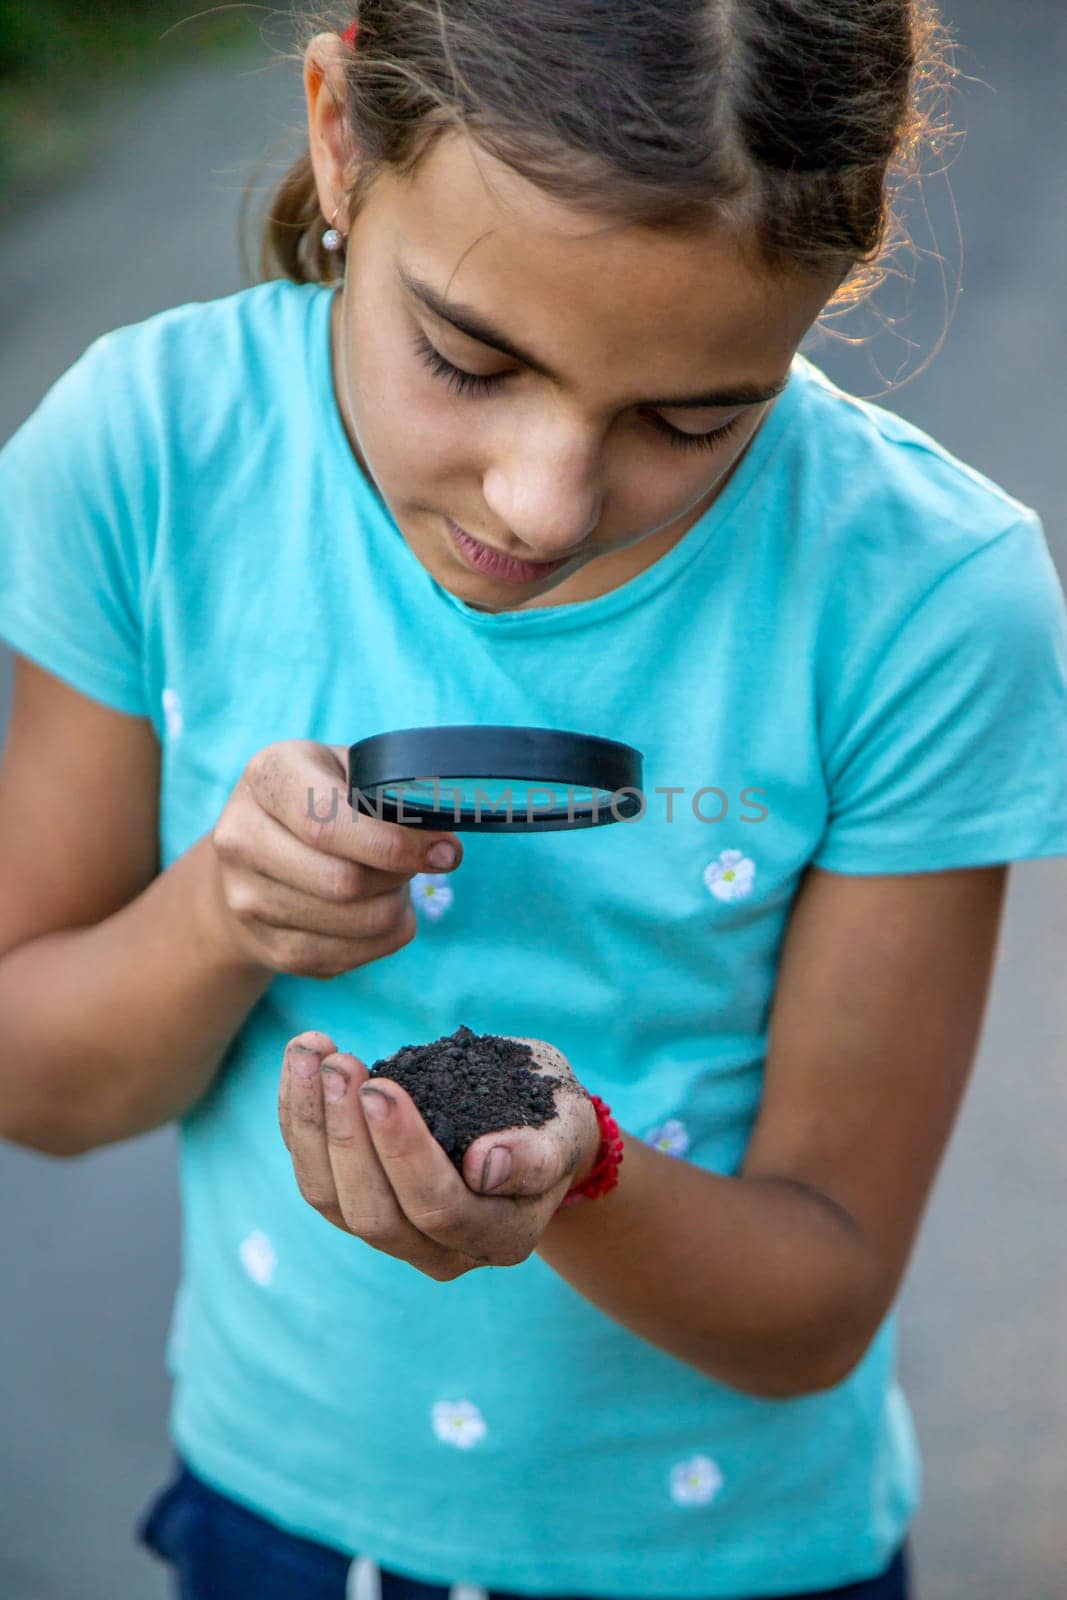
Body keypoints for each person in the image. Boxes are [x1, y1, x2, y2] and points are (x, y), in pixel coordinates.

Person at [1, 2, 1065, 1597]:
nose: (543, 499)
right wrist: (220, 909)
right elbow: (36, 1079)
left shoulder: (925, 599)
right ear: (340, 131)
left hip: (733, 1561)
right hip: (281, 1512)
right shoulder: (150, 453)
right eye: (468, 358)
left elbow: (819, 1294)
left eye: (693, 418)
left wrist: (586, 1179)